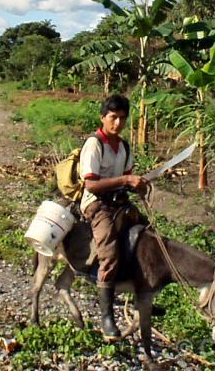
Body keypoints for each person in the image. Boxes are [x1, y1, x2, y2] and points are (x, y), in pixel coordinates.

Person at [79, 94, 148, 339]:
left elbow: (126, 180)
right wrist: (125, 180)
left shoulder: (125, 147)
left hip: (119, 200)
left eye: (122, 118)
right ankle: (106, 317)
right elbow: (90, 185)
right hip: (97, 203)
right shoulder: (95, 144)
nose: (117, 123)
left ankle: (141, 294)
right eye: (113, 117)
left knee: (146, 235)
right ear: (103, 118)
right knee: (108, 252)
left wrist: (136, 185)